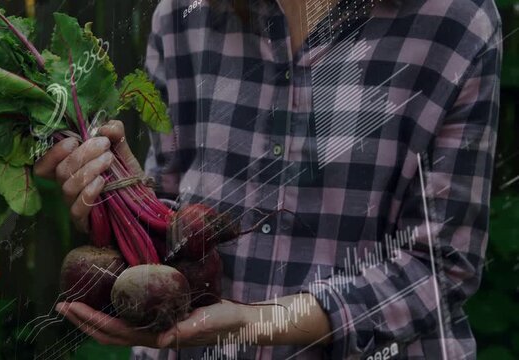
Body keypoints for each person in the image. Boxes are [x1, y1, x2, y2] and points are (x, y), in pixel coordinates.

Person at [33, 0, 502, 358]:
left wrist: (261, 321)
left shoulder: (453, 21)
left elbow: (440, 266)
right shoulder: (183, 14)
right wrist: (124, 194)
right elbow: (176, 208)